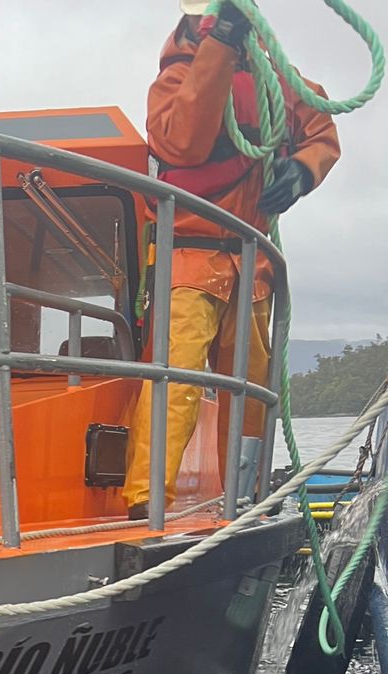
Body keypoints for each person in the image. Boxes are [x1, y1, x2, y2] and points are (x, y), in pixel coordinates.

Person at [123, 0, 341, 519]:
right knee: (175, 381)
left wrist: (305, 170)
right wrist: (220, 45)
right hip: (191, 261)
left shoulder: (277, 80)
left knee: (250, 392)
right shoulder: (176, 77)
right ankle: (145, 503)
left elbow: (321, 127)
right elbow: (183, 141)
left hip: (253, 267)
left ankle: (244, 501)